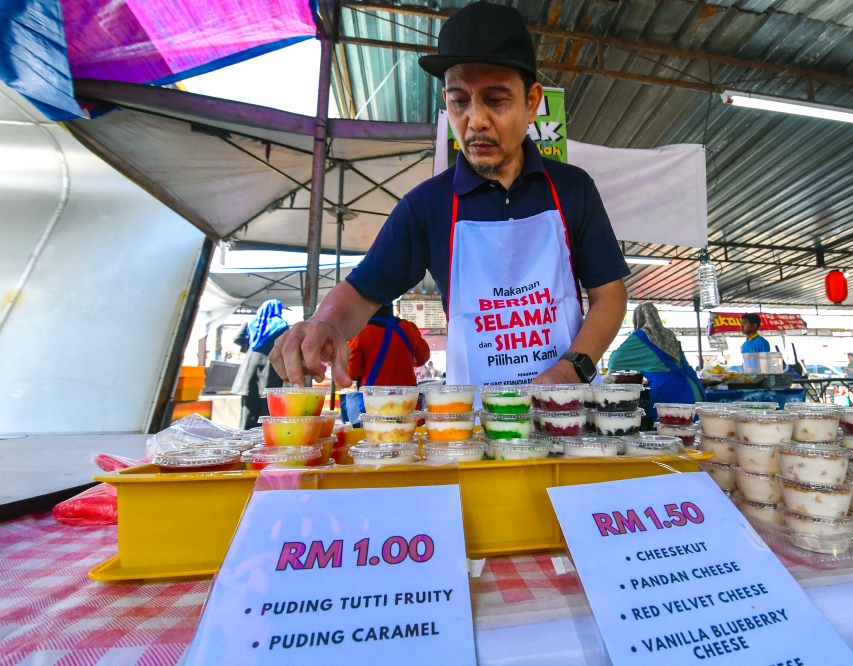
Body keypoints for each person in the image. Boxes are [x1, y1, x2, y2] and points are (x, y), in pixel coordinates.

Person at [270, 2, 628, 389]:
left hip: (566, 411)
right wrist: (325, 323)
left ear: (531, 102)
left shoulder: (573, 189)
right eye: (460, 100)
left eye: (495, 99)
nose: (475, 120)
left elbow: (609, 294)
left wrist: (571, 369)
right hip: (472, 424)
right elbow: (361, 292)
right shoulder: (427, 206)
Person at [607, 303, 705, 404]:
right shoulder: (668, 334)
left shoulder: (641, 336)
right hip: (692, 387)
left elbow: (613, 363)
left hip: (671, 393)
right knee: (696, 419)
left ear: (636, 319)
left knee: (670, 420)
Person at [231, 299, 288, 429]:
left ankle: (244, 439)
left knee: (248, 409)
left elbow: (236, 338)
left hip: (249, 368)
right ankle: (263, 441)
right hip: (270, 369)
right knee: (266, 410)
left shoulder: (251, 323)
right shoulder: (281, 325)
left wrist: (250, 348)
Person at [348, 305, 431, 387]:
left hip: (374, 395)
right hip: (407, 392)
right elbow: (423, 357)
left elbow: (352, 373)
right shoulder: (409, 327)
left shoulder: (360, 332)